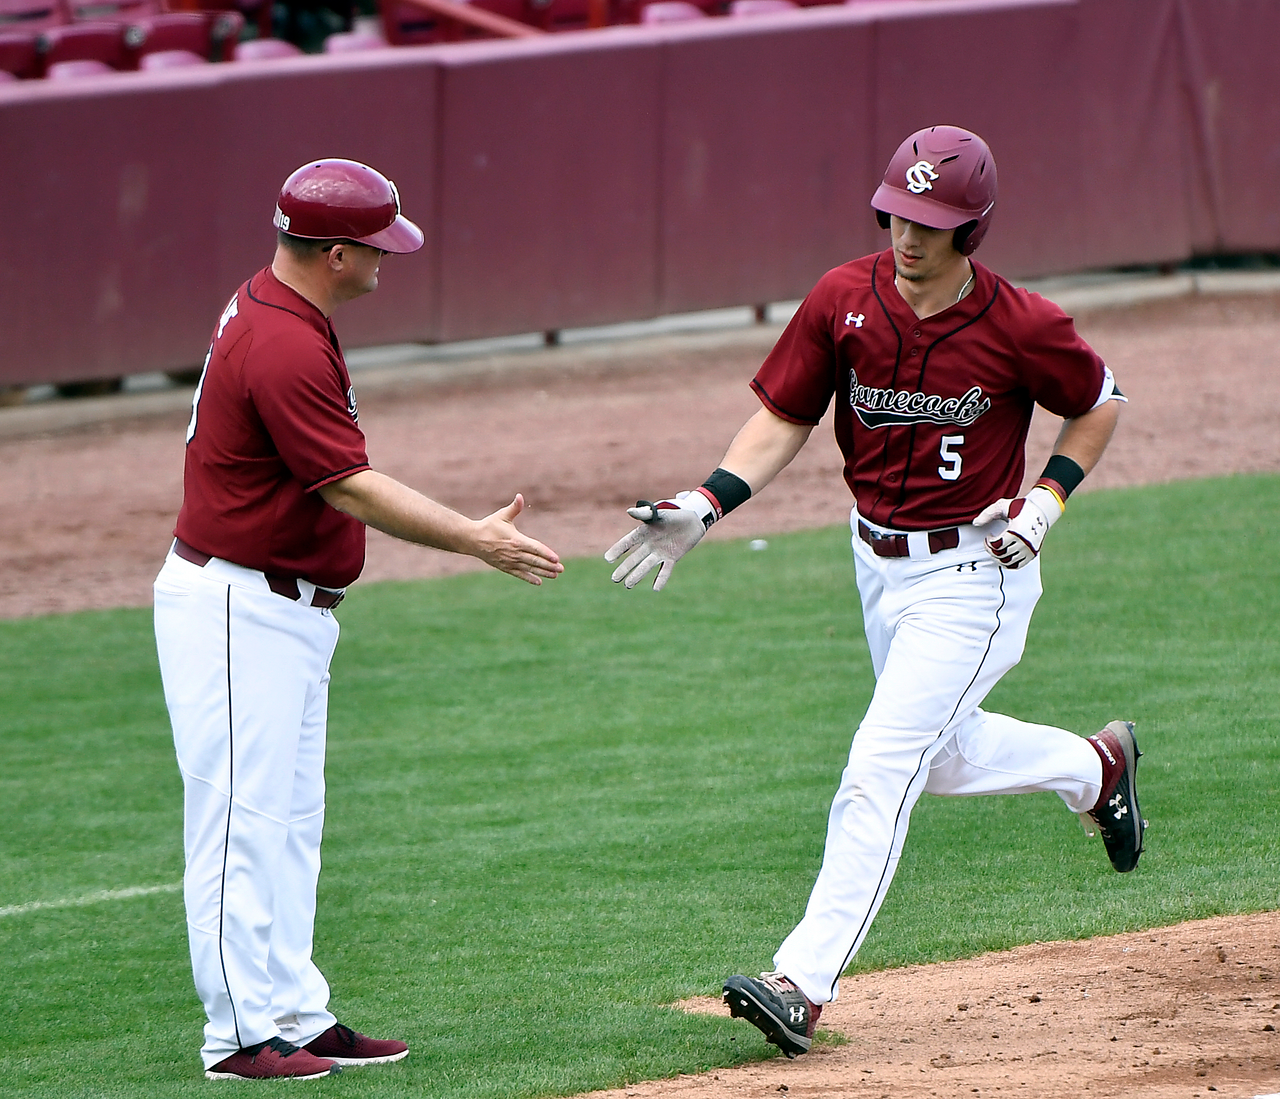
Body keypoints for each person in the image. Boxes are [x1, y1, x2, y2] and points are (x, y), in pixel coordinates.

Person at [604, 125, 1144, 1058]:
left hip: (976, 574)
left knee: (879, 764)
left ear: (971, 230)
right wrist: (706, 501)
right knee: (935, 755)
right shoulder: (842, 297)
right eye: (897, 213)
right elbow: (783, 416)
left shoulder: (1020, 322)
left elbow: (1097, 399)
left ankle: (801, 981)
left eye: (930, 222)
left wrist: (1048, 501)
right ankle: (1096, 770)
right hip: (876, 563)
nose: (908, 235)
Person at [154, 159, 563, 1081]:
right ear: (335, 252)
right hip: (238, 606)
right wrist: (474, 539)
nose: (389, 258)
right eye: (378, 245)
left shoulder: (280, 307)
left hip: (278, 606)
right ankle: (237, 1035)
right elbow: (347, 486)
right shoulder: (286, 343)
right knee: (236, 826)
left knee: (291, 823)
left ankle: (293, 1011)